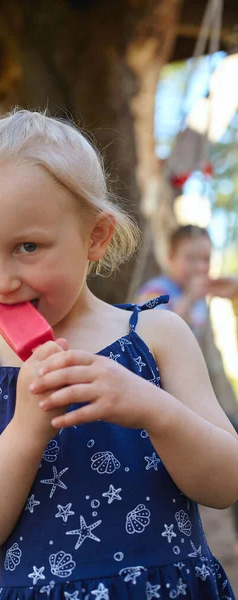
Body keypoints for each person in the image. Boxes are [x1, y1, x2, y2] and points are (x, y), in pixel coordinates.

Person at [0, 110, 238, 600]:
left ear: (95, 237)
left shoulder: (158, 336)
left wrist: (152, 408)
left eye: (27, 246)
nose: (1, 280)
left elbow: (227, 483)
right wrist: (27, 429)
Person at [135, 224, 238, 557]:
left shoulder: (198, 299)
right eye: (191, 258)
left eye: (206, 259)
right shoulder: (157, 289)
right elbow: (150, 328)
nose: (199, 268)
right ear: (170, 258)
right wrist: (192, 296)